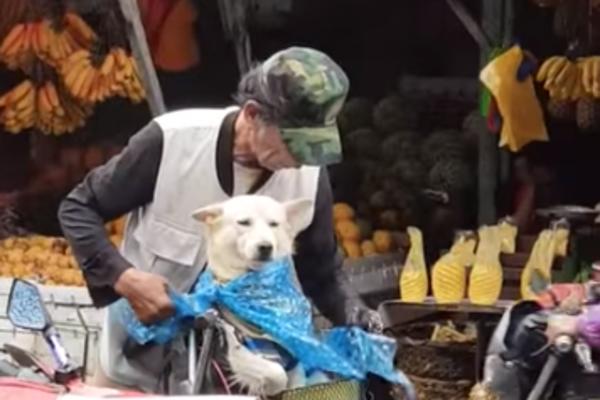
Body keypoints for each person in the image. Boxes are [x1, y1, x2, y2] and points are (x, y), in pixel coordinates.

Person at [58, 47, 382, 392]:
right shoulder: (173, 142)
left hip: (239, 373)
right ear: (253, 113)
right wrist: (124, 278)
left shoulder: (309, 177)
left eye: (314, 145)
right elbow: (79, 208)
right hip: (134, 358)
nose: (303, 159)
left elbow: (323, 274)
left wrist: (358, 318)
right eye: (294, 142)